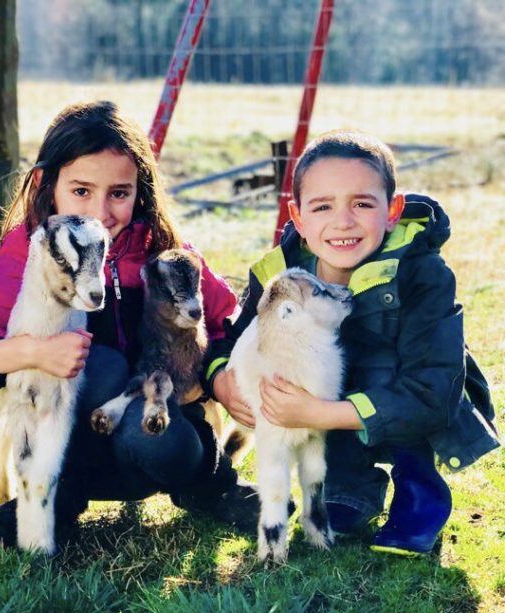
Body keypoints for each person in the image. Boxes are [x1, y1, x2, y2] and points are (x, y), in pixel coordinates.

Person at [0, 101, 259, 548]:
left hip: (154, 431)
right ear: (46, 186)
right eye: (82, 191)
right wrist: (28, 352)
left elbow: (226, 320)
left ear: (140, 191)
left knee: (153, 430)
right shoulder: (33, 256)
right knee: (98, 366)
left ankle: (210, 485)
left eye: (119, 193)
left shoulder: (161, 250)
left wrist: (218, 378)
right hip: (73, 440)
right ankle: (51, 501)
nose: (101, 212)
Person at [206, 130, 498, 556]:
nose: (343, 221)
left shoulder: (421, 272)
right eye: (322, 206)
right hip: (333, 400)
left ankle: (420, 497)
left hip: (413, 393)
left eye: (362, 203)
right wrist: (222, 382)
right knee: (321, 372)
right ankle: (349, 489)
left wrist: (319, 411)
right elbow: (232, 338)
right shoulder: (280, 275)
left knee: (379, 369)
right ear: (299, 216)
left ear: (392, 210)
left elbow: (433, 387)